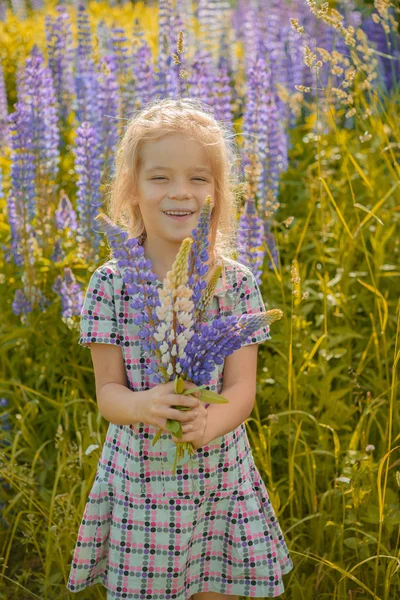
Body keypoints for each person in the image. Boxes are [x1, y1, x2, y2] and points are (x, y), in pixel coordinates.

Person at [67, 98, 293, 600]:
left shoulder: (233, 284)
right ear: (132, 189)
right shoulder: (111, 284)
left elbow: (241, 389)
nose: (180, 193)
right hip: (142, 482)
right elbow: (107, 392)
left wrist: (210, 423)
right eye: (160, 178)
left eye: (198, 178)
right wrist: (142, 405)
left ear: (217, 191)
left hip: (218, 475)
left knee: (218, 586)